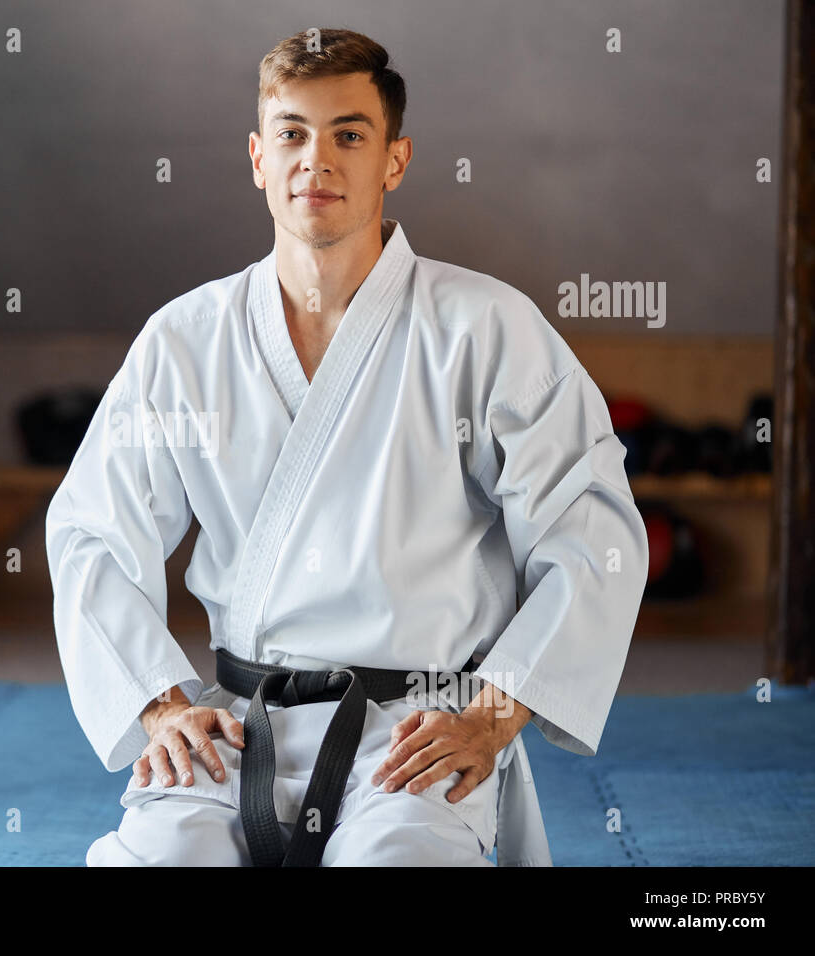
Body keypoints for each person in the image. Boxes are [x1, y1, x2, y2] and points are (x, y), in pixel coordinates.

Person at [45, 27, 648, 866]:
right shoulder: (184, 339)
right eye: (291, 133)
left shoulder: (488, 330)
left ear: (394, 160)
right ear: (258, 157)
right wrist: (158, 705)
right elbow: (90, 532)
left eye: (349, 135)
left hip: (415, 732)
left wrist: (494, 715)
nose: (314, 160)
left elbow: (595, 536)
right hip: (237, 726)